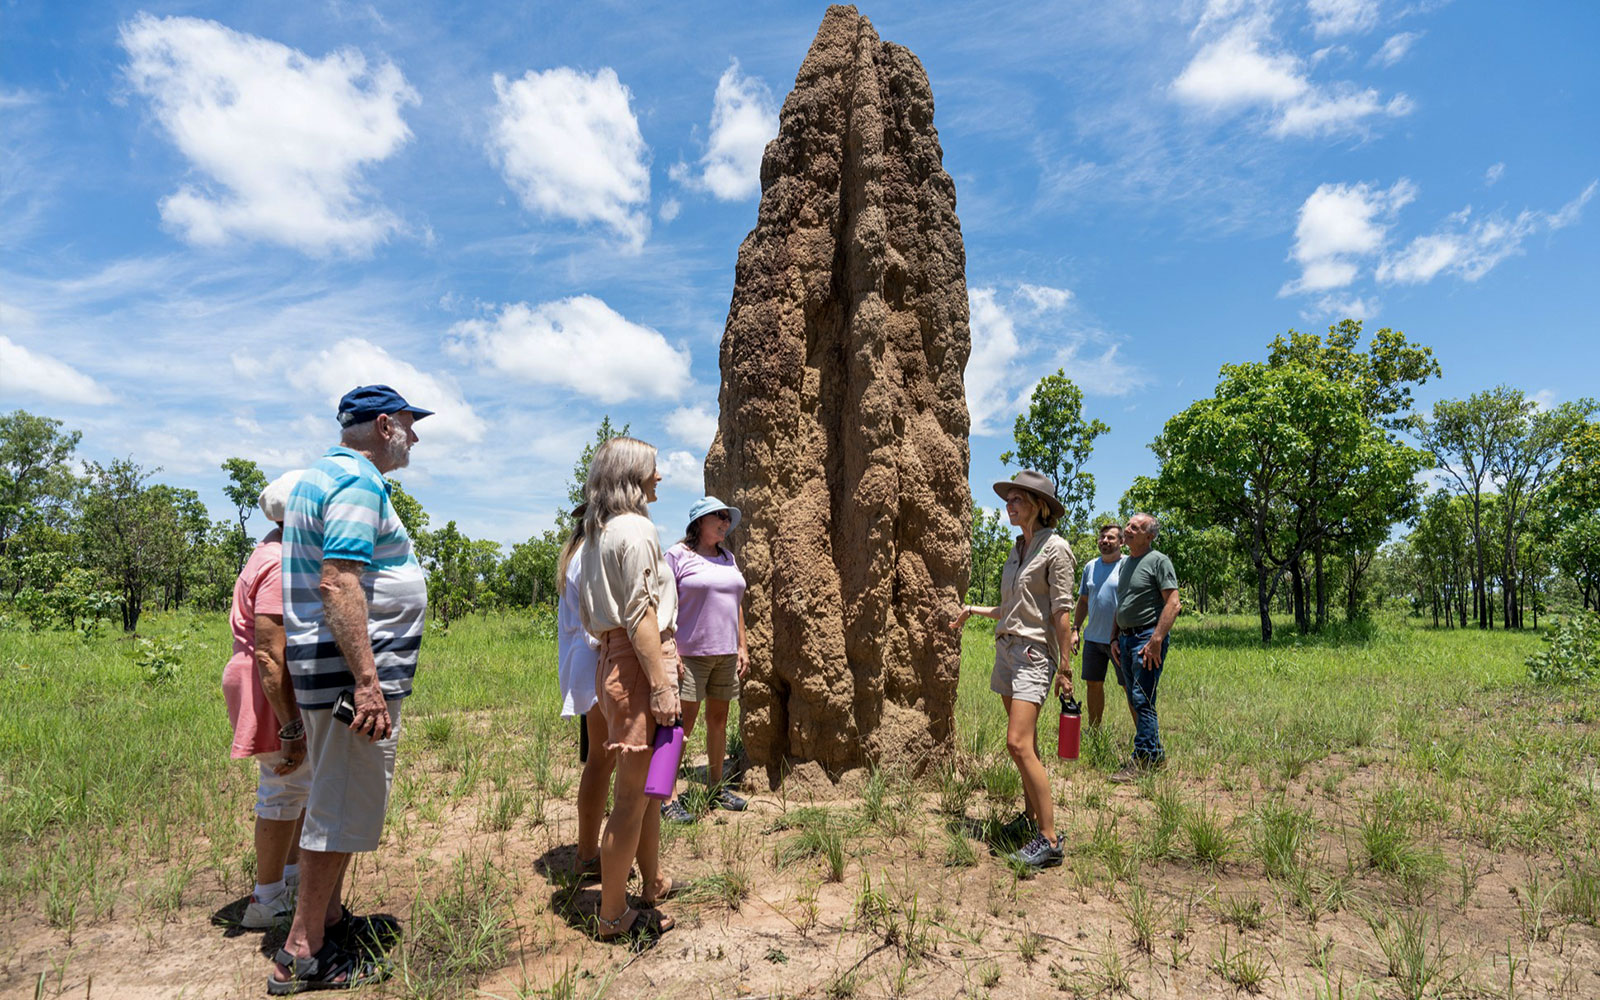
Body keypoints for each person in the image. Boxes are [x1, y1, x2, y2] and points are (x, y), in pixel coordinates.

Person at [271, 385, 432, 995]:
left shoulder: (317, 478)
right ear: (385, 426)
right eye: (410, 427)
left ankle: (330, 920)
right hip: (348, 678)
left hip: (329, 671)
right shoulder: (360, 483)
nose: (414, 439)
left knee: (332, 800)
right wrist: (367, 683)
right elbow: (339, 582)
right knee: (337, 811)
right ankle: (303, 953)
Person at [577, 437, 681, 942]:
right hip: (640, 663)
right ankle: (613, 914)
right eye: (653, 470)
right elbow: (642, 613)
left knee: (647, 795)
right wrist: (661, 685)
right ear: (633, 475)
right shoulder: (637, 529)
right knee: (631, 800)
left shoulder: (597, 532)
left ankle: (651, 884)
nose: (659, 478)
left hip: (614, 659)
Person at [949, 471, 1076, 870]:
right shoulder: (1017, 548)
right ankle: (1032, 819)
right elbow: (1013, 608)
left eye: (1018, 498)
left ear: (1039, 506)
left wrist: (1066, 668)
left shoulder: (1055, 549)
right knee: (1028, 747)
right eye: (1009, 499)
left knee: (1017, 744)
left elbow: (1060, 612)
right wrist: (975, 610)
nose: (1010, 504)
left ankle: (1050, 840)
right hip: (1007, 650)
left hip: (1035, 655)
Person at [222, 470, 309, 929]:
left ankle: (288, 882)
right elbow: (270, 653)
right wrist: (291, 725)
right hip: (267, 685)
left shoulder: (269, 550)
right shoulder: (279, 562)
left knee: (297, 785)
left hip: (263, 680)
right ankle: (268, 896)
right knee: (283, 784)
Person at [659, 496, 749, 823]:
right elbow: (661, 603)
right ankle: (664, 796)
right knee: (681, 727)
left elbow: (736, 602)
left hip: (725, 654)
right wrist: (668, 647)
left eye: (727, 518)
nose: (725, 523)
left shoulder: (728, 558)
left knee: (719, 721)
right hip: (690, 655)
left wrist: (743, 646)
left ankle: (716, 787)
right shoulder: (677, 555)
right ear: (699, 522)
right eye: (718, 517)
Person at [556, 503, 612, 878]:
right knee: (601, 762)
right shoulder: (590, 554)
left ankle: (589, 852)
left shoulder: (578, 552)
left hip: (585, 665)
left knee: (600, 760)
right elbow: (598, 622)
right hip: (596, 664)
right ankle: (589, 854)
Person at [1107, 512, 1181, 784]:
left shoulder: (1158, 561)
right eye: (1128, 525)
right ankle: (1155, 755)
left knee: (1143, 699)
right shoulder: (1126, 564)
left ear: (1149, 537)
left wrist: (1156, 640)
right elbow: (1121, 604)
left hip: (1146, 639)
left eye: (1135, 528)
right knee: (1134, 698)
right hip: (1126, 640)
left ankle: (1144, 761)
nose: (1127, 530)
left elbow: (1173, 603)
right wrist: (1114, 638)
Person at [1070, 523, 1127, 729]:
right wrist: (1075, 629)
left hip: (1121, 639)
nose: (1105, 541)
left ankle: (1144, 739)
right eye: (1102, 537)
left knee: (1128, 687)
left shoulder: (1129, 565)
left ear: (1122, 542)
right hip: (1093, 639)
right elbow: (1084, 600)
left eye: (1111, 538)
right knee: (1093, 685)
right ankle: (1094, 732)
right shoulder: (1090, 567)